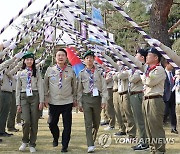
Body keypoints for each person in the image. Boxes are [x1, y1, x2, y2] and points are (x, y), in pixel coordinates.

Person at [44, 48, 77, 153]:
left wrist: (75, 99)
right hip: (54, 101)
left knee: (67, 125)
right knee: (51, 123)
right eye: (59, 55)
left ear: (66, 57)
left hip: (67, 101)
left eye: (63, 55)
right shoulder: (50, 70)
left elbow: (75, 86)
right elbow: (45, 85)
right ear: (55, 58)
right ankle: (55, 137)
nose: (61, 57)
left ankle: (64, 145)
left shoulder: (71, 70)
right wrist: (45, 98)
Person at [77, 50, 108, 153]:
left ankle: (92, 140)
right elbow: (79, 89)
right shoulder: (81, 73)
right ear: (84, 60)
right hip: (86, 98)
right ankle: (90, 144)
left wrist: (104, 100)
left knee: (96, 122)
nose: (89, 59)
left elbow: (104, 87)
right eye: (87, 58)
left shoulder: (99, 72)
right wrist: (79, 103)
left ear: (94, 59)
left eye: (91, 57)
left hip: (97, 99)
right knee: (88, 122)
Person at [16, 51, 44, 153]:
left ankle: (32, 143)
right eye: (27, 59)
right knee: (26, 121)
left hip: (35, 96)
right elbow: (18, 89)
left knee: (34, 121)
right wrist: (18, 103)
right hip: (24, 97)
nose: (29, 61)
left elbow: (41, 87)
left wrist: (41, 101)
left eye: (31, 60)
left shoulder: (37, 72)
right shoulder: (20, 73)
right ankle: (24, 141)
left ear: (33, 61)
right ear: (24, 61)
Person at [140, 47, 166, 153]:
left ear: (156, 57)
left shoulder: (159, 69)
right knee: (149, 128)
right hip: (147, 99)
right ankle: (153, 149)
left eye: (149, 55)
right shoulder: (150, 70)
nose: (146, 56)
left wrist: (143, 77)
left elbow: (150, 82)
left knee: (156, 128)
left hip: (155, 100)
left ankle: (160, 150)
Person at [163, 61, 178, 134]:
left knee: (173, 113)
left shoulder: (174, 73)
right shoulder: (162, 73)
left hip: (173, 95)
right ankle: (161, 125)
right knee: (165, 112)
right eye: (170, 64)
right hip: (165, 96)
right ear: (166, 64)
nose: (172, 66)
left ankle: (173, 127)